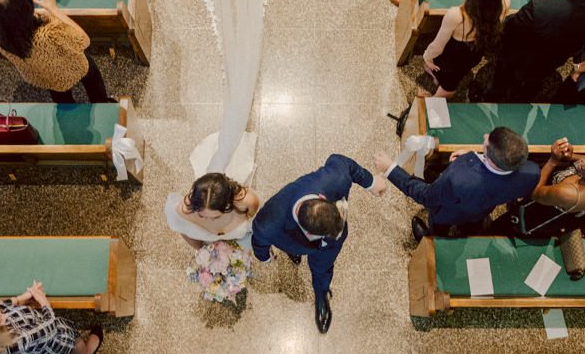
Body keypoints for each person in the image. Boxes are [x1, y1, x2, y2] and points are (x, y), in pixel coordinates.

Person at [250, 155, 387, 334]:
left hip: (325, 252)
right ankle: (295, 254)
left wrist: (371, 183)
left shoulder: (334, 179)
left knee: (322, 270)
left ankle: (321, 294)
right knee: (294, 249)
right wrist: (267, 258)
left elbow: (342, 162)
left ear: (323, 197)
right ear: (309, 233)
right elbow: (259, 244)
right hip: (291, 241)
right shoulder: (269, 224)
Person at [373, 125, 540, 241]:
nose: (484, 136)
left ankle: (432, 238)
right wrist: (476, 157)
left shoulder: (458, 178)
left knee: (439, 227)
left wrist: (390, 169)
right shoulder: (532, 173)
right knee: (473, 222)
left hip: (449, 212)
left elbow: (425, 196)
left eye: (487, 141)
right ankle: (468, 231)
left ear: (492, 159)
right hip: (482, 210)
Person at [0, 0, 111, 102]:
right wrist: (52, 8)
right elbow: (84, 40)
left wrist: (16, 4)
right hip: (71, 66)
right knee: (92, 78)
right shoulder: (50, 33)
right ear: (27, 7)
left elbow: (2, 15)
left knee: (57, 90)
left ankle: (68, 109)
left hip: (38, 73)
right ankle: (101, 102)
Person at [418, 0, 507, 98]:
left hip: (453, 60)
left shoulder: (457, 15)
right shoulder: (505, 2)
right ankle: (438, 77)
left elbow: (438, 46)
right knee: (456, 72)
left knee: (448, 86)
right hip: (475, 53)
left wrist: (427, 57)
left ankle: (434, 100)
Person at [165, 173, 261, 250]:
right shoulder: (180, 215)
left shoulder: (248, 202)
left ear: (227, 205)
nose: (208, 220)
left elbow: (253, 218)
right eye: (201, 215)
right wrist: (204, 252)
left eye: (216, 217)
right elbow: (185, 232)